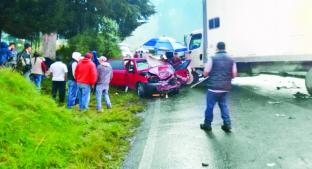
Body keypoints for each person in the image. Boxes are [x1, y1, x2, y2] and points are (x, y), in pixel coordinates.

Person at [200, 42, 238, 132]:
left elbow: (205, 73)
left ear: (217, 48)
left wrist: (205, 74)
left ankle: (207, 125)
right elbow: (234, 74)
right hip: (225, 88)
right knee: (224, 106)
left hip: (213, 88)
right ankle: (227, 124)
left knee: (210, 107)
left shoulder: (212, 58)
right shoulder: (231, 59)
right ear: (225, 48)